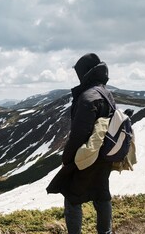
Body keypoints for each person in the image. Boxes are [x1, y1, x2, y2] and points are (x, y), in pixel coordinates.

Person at [47, 53, 115, 234]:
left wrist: (67, 157)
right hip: (104, 155)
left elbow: (79, 135)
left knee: (72, 196)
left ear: (84, 73)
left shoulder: (87, 98)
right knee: (102, 194)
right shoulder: (105, 92)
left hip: (88, 155)